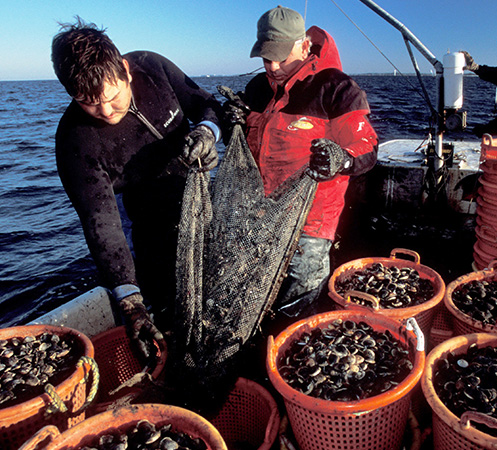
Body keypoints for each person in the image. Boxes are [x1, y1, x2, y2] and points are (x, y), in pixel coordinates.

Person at [51, 18, 222, 359]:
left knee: (218, 283)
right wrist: (130, 303)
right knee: (164, 301)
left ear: (126, 71)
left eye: (113, 97)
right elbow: (101, 223)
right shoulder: (75, 141)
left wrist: (206, 133)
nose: (106, 112)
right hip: (146, 219)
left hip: (201, 194)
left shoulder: (152, 67)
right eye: (88, 102)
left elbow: (207, 105)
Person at [223, 6, 378, 329]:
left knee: (300, 301)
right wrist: (231, 123)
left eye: (282, 56)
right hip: (260, 215)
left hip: (311, 222)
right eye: (267, 58)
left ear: (305, 46)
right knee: (253, 293)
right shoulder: (256, 89)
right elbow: (247, 148)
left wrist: (341, 158)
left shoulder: (336, 88)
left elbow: (367, 148)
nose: (274, 66)